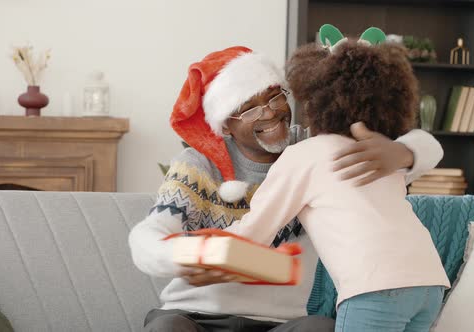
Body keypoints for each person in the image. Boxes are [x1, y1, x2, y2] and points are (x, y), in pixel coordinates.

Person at [128, 45, 444, 332]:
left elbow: (428, 145)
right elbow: (149, 237)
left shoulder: (313, 146)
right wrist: (193, 255)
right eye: (248, 108)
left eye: (274, 96)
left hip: (278, 324)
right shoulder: (198, 164)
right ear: (225, 124)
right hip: (193, 315)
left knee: (319, 328)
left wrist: (403, 152)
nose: (269, 112)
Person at [222, 29, 450, 332]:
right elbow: (430, 147)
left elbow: (255, 232)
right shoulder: (381, 151)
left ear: (315, 99)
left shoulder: (305, 155)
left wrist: (202, 248)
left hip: (375, 286)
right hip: (429, 281)